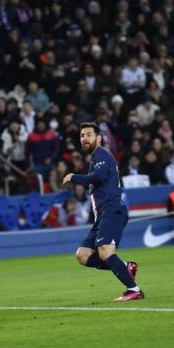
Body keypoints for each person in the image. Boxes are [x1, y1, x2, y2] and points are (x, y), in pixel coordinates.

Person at [63, 122, 143, 302]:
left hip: (112, 210)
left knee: (105, 252)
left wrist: (74, 177)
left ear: (98, 138)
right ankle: (125, 267)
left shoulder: (102, 155)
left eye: (89, 135)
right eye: (82, 135)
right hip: (102, 216)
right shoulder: (94, 158)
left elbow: (98, 177)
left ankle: (134, 290)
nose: (84, 138)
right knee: (82, 255)